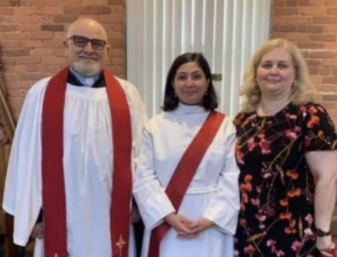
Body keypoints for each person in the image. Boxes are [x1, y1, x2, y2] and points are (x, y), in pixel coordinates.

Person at [2, 18, 148, 257]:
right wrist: (35, 215)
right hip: (58, 215)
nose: (89, 49)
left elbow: (142, 156)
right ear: (65, 46)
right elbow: (25, 158)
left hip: (113, 213)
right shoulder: (41, 94)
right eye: (80, 41)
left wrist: (139, 205)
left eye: (97, 44)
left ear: (107, 50)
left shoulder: (128, 94)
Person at [234, 38, 337, 257]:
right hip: (246, 232)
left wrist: (323, 232)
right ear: (256, 73)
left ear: (296, 75)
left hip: (296, 234)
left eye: (282, 65)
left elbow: (327, 178)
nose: (273, 71)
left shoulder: (310, 115)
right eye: (266, 65)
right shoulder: (243, 119)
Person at [133, 52, 240, 257]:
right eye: (182, 77)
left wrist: (210, 219)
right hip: (166, 222)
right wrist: (169, 216)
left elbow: (231, 178)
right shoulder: (155, 126)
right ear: (172, 83)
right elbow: (144, 178)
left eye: (196, 76)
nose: (189, 83)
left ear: (208, 82)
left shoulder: (225, 126)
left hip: (210, 224)